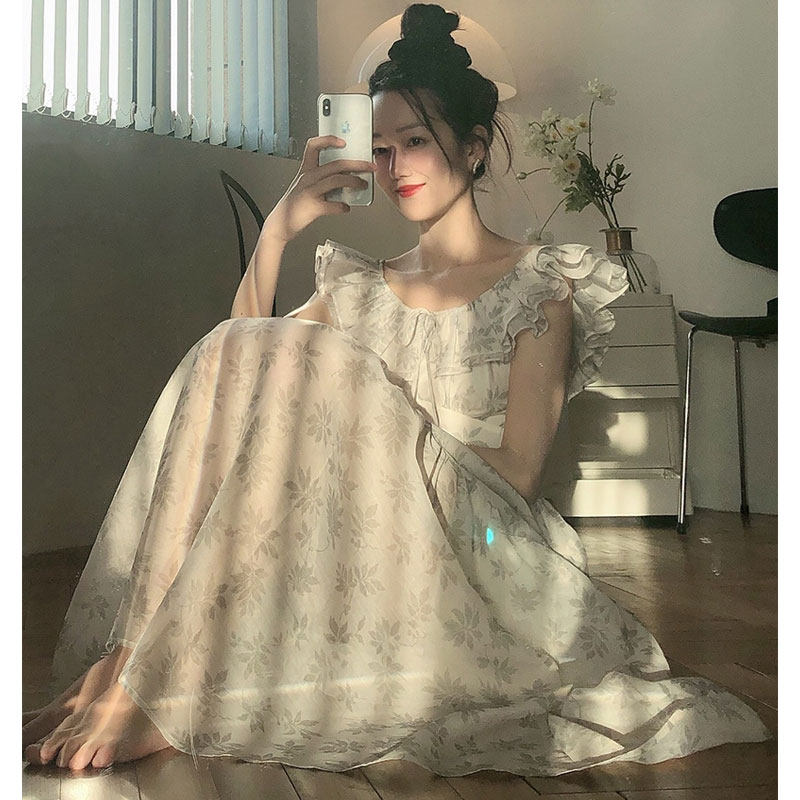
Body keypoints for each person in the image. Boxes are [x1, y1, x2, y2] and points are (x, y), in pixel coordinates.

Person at [23, 2, 771, 776]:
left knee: (325, 366)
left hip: (479, 537)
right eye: (379, 148)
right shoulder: (358, 285)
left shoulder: (539, 284)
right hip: (359, 524)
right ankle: (130, 664)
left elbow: (518, 472)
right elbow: (236, 370)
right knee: (245, 346)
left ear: (474, 148)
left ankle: (150, 685)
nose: (394, 165)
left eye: (416, 141)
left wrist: (377, 435)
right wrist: (279, 231)